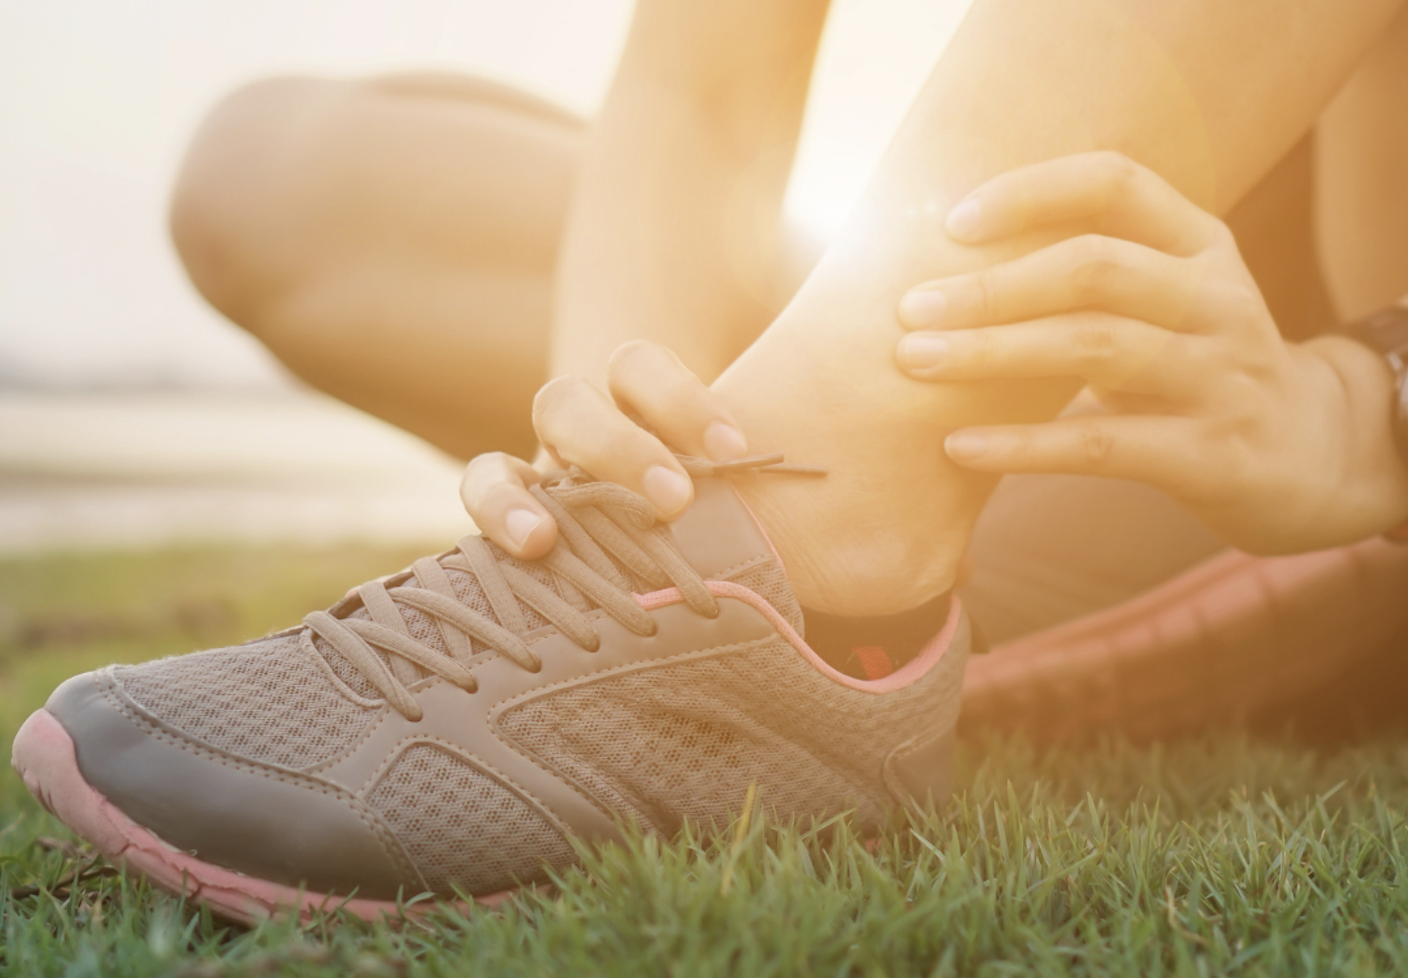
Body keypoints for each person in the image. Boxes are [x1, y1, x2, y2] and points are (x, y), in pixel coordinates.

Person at [12, 0, 1408, 920]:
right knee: (271, 174)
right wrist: (624, 457)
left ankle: (853, 505)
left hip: (1280, 463)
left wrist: (1364, 404)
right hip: (995, 381)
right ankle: (775, 541)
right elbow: (704, 77)